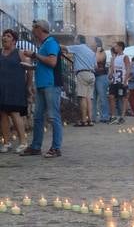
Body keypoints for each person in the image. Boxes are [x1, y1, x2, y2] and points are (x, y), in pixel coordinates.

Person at [21, 19, 62, 158]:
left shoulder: (51, 43)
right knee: (38, 117)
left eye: (34, 27)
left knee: (53, 117)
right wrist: (32, 66)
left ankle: (56, 148)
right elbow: (45, 64)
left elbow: (52, 62)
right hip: (42, 84)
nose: (32, 30)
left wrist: (34, 55)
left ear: (40, 29)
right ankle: (36, 147)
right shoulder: (44, 44)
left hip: (51, 84)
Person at [0, 28, 30, 153]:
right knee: (2, 114)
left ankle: (23, 142)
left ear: (14, 40)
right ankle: (6, 142)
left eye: (8, 36)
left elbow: (29, 70)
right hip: (2, 88)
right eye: (3, 36)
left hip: (16, 88)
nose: (4, 38)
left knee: (14, 113)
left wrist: (28, 86)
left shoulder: (20, 53)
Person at [65, 35, 96, 126]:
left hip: (82, 74)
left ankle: (83, 120)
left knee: (82, 97)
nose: (74, 41)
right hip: (92, 74)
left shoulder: (78, 47)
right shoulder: (91, 51)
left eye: (75, 39)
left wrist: (53, 44)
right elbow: (96, 66)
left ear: (78, 40)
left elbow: (64, 48)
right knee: (89, 98)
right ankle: (90, 120)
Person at [108, 41, 130, 123]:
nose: (114, 48)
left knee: (124, 98)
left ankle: (122, 116)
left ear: (120, 47)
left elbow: (128, 69)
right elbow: (112, 68)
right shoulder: (114, 57)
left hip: (122, 80)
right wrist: (110, 75)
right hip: (114, 81)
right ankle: (113, 116)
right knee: (111, 97)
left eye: (116, 46)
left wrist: (125, 80)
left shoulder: (125, 57)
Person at [93, 37, 110, 123]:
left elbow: (97, 60)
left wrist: (97, 50)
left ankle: (105, 116)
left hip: (101, 76)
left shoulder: (101, 51)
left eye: (93, 42)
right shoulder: (95, 51)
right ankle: (93, 117)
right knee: (94, 98)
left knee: (103, 97)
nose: (91, 44)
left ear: (97, 43)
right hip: (95, 76)